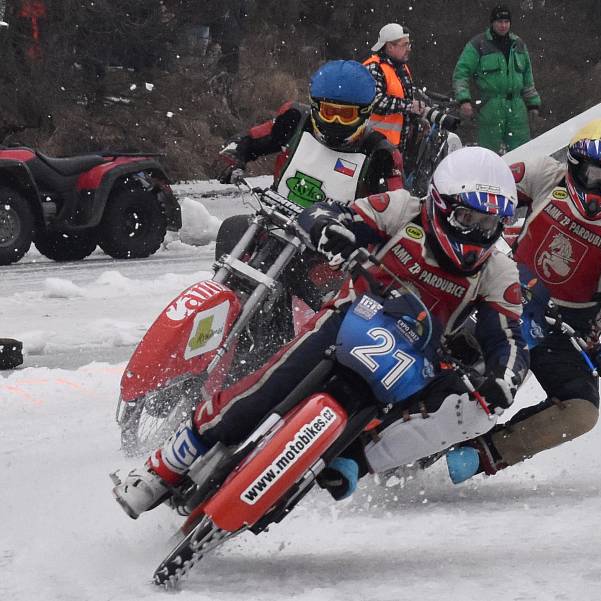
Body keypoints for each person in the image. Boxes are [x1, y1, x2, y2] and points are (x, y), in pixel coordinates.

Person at [113, 146, 530, 517]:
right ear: (439, 205)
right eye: (465, 217)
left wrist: (503, 382)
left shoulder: (498, 269)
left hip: (415, 360)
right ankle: (164, 465)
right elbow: (327, 213)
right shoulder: (403, 209)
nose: (475, 232)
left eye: (489, 224)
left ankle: (353, 463)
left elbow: (509, 339)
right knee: (263, 390)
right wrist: (334, 232)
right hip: (351, 317)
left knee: (461, 406)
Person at [446, 118, 601, 483]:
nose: (597, 188)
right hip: (501, 294)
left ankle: (485, 453)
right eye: (593, 175)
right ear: (575, 166)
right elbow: (483, 188)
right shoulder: (542, 173)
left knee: (580, 410)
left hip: (563, 328)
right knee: (460, 352)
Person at [217, 59, 405, 316]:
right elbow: (251, 139)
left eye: (346, 114)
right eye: (329, 112)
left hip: (327, 250)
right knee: (233, 228)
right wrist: (235, 158)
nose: (336, 122)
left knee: (312, 298)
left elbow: (396, 209)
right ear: (316, 107)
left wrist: (365, 232)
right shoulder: (295, 120)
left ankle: (292, 342)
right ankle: (220, 306)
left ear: (365, 112)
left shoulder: (381, 153)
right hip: (274, 223)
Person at [452, 4, 542, 154]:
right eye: (500, 22)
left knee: (523, 154)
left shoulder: (518, 44)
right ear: (492, 23)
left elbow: (527, 78)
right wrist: (464, 100)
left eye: (506, 22)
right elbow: (461, 73)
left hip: (517, 107)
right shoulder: (478, 44)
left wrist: (533, 104)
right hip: (490, 107)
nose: (503, 25)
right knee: (488, 154)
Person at [362, 23, 426, 156]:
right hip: (374, 145)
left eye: (409, 45)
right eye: (404, 45)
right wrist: (410, 106)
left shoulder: (402, 68)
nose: (409, 49)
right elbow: (376, 102)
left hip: (395, 146)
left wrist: (418, 118)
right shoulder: (374, 67)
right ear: (390, 47)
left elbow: (404, 101)